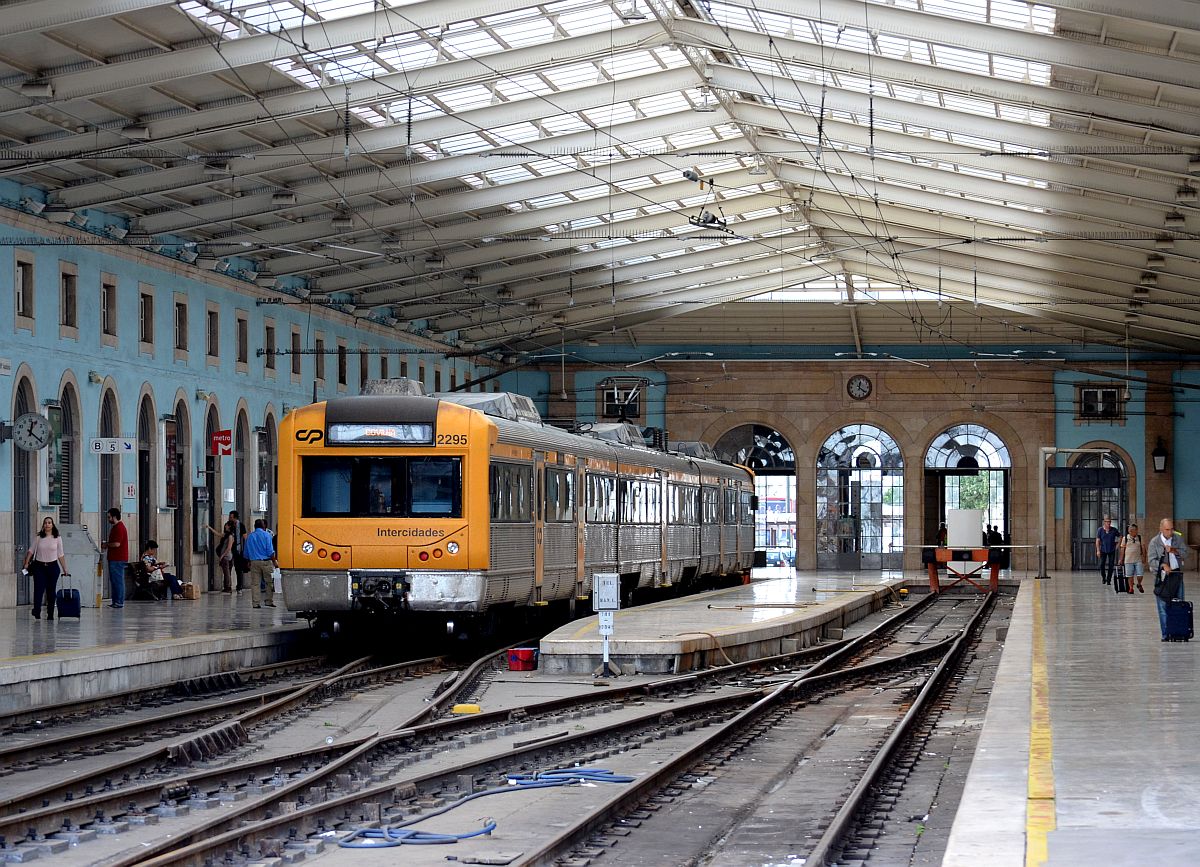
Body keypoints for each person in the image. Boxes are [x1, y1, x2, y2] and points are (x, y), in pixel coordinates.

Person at [21, 516, 71, 620]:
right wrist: (26, 562)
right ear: (43, 525)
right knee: (38, 590)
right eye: (45, 523)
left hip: (52, 567)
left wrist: (65, 568)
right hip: (39, 567)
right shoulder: (39, 537)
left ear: (52, 525)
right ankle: (37, 611)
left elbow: (60, 554)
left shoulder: (57, 538)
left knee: (51, 591)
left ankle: (50, 613)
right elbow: (31, 550)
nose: (47, 524)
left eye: (49, 523)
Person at [1148, 518, 1189, 641]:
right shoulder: (1154, 542)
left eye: (1172, 529)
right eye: (1167, 529)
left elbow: (1186, 553)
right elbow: (1151, 561)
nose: (1170, 532)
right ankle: (1166, 634)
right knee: (1163, 607)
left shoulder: (1178, 539)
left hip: (1176, 575)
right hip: (1162, 578)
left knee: (1179, 605)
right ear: (1161, 529)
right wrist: (1162, 565)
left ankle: (1179, 632)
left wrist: (1174, 550)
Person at [242, 518, 277, 609]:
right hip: (266, 562)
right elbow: (270, 551)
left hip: (254, 562)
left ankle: (255, 603)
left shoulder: (250, 536)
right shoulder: (267, 535)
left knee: (255, 583)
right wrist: (274, 561)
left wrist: (248, 561)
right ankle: (268, 601)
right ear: (263, 526)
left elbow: (246, 552)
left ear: (254, 526)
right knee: (269, 582)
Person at [102, 507, 129, 608]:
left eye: (109, 517)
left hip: (118, 558)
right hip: (115, 558)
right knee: (114, 580)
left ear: (114, 517)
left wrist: (107, 545)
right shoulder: (116, 527)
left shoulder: (119, 528)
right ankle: (116, 601)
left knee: (117, 580)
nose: (108, 519)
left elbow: (117, 544)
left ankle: (119, 601)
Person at [206, 520, 236, 592]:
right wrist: (209, 528)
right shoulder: (226, 535)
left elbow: (229, 548)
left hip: (227, 556)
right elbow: (217, 534)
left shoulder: (230, 536)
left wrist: (222, 556)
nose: (225, 526)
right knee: (226, 572)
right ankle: (227, 587)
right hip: (226, 556)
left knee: (227, 573)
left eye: (226, 525)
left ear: (229, 526)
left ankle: (228, 587)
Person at [1119, 523, 1148, 594]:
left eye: (1135, 530)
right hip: (1128, 560)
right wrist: (1121, 559)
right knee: (1129, 575)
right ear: (1129, 531)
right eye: (1131, 530)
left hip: (1138, 559)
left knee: (1140, 574)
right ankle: (1131, 588)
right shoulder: (1125, 538)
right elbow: (1122, 549)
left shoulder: (1140, 537)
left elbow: (1143, 548)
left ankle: (1139, 584)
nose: (1134, 531)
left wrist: (1144, 557)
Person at [1095, 516, 1120, 586]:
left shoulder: (1114, 530)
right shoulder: (1100, 530)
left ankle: (1109, 580)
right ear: (1104, 522)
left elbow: (1120, 536)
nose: (1109, 523)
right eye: (1107, 522)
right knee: (1102, 565)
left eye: (1110, 522)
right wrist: (1098, 550)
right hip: (1103, 549)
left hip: (1111, 549)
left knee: (1111, 565)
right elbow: (1097, 540)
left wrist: (1118, 544)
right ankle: (1104, 577)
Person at [228, 510, 247, 593]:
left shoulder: (241, 526)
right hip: (230, 549)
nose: (230, 518)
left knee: (238, 568)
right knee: (229, 567)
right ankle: (228, 585)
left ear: (235, 518)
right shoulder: (229, 525)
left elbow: (245, 537)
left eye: (231, 517)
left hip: (239, 550)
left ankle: (239, 586)